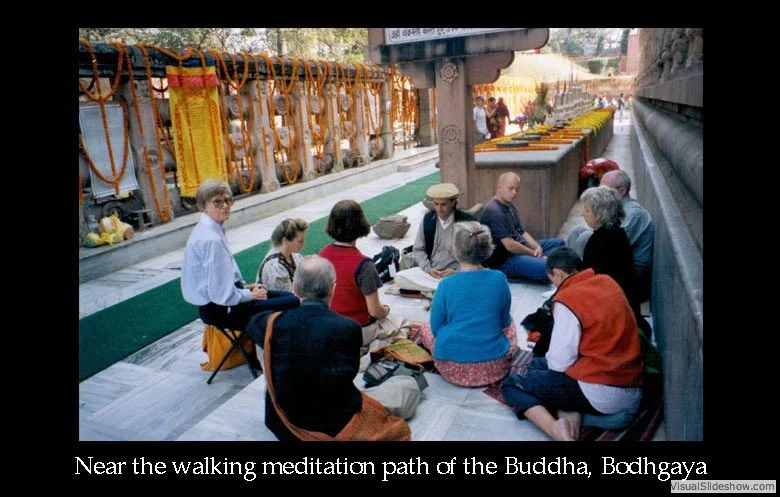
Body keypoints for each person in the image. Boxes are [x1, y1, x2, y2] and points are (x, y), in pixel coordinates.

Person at [245, 256, 417, 441]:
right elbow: (348, 377)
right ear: (333, 289)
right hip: (333, 424)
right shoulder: (347, 328)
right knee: (408, 387)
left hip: (281, 424)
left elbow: (250, 323)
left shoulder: (267, 322)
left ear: (294, 290)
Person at [501, 247, 643, 441]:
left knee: (512, 383)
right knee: (538, 365)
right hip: (630, 383)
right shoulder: (608, 281)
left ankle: (557, 431)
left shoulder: (567, 299)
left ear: (558, 274)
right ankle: (580, 418)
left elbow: (559, 363)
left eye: (552, 278)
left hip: (601, 390)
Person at [181, 179, 300, 332]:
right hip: (223, 310)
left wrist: (244, 287)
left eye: (228, 201)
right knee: (293, 301)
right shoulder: (211, 239)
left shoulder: (209, 229)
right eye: (217, 202)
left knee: (290, 297)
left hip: (221, 303)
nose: (225, 206)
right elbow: (222, 296)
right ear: (204, 206)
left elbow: (219, 280)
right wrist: (251, 295)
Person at [413, 221, 518, 387]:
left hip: (452, 368)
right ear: (487, 248)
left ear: (455, 250)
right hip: (495, 366)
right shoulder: (499, 279)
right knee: (511, 325)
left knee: (424, 328)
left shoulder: (446, 285)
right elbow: (504, 322)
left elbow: (435, 328)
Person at [320, 200, 407, 356]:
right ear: (360, 224)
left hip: (330, 327)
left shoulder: (322, 255)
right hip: (358, 330)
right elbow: (375, 311)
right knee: (402, 324)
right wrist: (386, 310)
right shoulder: (364, 264)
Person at [567, 170, 654, 302]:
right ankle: (570, 276)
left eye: (604, 189)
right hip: (615, 270)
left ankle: (573, 279)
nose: (599, 192)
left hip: (635, 275)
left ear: (621, 191)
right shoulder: (617, 214)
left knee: (585, 237)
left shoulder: (634, 214)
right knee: (578, 231)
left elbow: (610, 247)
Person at [481, 172, 565, 282]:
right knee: (549, 268)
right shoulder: (494, 212)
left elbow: (522, 232)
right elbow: (510, 246)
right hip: (504, 261)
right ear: (500, 188)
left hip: (520, 248)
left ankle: (542, 261)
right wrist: (533, 254)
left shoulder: (509, 205)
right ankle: (542, 264)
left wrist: (536, 247)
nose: (514, 193)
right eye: (510, 189)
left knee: (559, 243)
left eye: (517, 189)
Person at [412, 183, 475, 278]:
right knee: (401, 277)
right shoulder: (428, 220)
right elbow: (418, 250)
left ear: (453, 202)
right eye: (436, 204)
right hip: (431, 273)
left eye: (443, 204)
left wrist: (457, 271)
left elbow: (474, 254)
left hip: (458, 273)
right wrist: (428, 268)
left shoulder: (467, 221)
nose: (439, 209)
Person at [256, 218, 308, 292]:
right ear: (285, 240)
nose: (303, 244)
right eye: (300, 241)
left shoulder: (294, 255)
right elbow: (289, 297)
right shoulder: (275, 266)